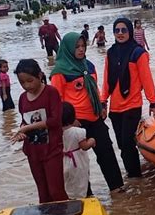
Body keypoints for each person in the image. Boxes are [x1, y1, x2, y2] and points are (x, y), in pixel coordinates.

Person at [50, 33, 125, 192]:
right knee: (78, 161)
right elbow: (57, 101)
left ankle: (117, 189)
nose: (81, 49)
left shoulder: (89, 66)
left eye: (83, 46)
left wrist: (102, 106)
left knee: (107, 153)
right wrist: (69, 122)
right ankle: (85, 196)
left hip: (95, 117)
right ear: (68, 48)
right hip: (75, 123)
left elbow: (95, 90)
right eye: (77, 47)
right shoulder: (59, 71)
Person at [101, 18, 155, 178]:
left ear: (130, 32)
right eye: (116, 30)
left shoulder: (138, 53)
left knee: (127, 143)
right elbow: (106, 80)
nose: (120, 33)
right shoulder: (111, 53)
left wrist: (153, 102)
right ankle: (132, 175)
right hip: (115, 108)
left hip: (132, 105)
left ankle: (135, 177)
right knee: (121, 145)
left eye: (123, 30)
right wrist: (103, 101)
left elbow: (147, 79)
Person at [12, 59, 68, 203]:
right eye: (22, 82)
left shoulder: (51, 93)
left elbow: (55, 121)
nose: (27, 86)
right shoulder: (23, 98)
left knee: (56, 191)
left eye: (30, 81)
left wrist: (27, 127)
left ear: (40, 75)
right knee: (43, 194)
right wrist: (22, 133)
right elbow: (25, 120)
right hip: (32, 151)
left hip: (52, 150)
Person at [61, 102, 96, 199]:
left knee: (67, 183)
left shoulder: (56, 133)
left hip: (63, 160)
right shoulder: (78, 132)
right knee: (81, 181)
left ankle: (70, 199)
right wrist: (91, 141)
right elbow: (84, 146)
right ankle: (83, 199)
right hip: (77, 161)